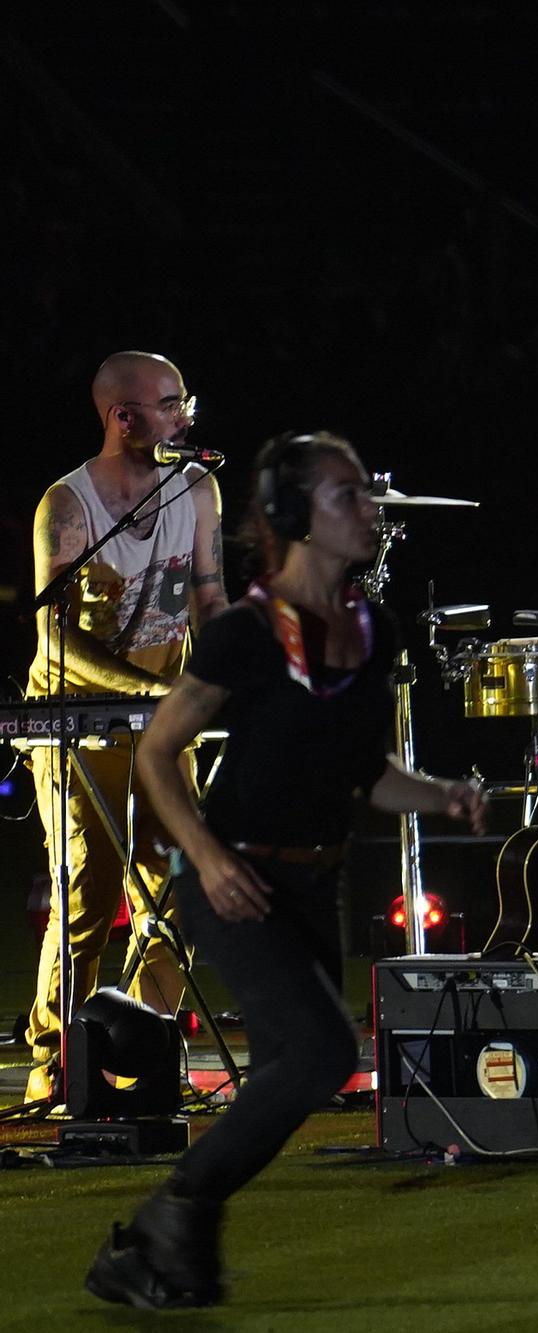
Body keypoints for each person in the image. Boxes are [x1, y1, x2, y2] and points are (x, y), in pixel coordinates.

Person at [84, 432, 486, 1309]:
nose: (369, 510)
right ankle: (168, 1219)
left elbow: (366, 772)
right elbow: (158, 753)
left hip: (314, 883)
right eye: (348, 495)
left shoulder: (375, 632)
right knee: (322, 1051)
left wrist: (442, 795)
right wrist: (208, 856)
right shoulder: (248, 635)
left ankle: (162, 1250)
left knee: (288, 1072)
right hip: (239, 881)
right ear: (295, 515)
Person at [21, 351, 227, 1105]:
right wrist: (153, 690)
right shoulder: (68, 507)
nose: (185, 416)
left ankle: (141, 1047)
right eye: (171, 403)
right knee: (88, 894)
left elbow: (210, 596)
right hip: (77, 720)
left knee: (181, 882)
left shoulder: (196, 486)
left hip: (163, 715)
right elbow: (55, 639)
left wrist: (232, 675)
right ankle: (57, 1061)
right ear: (124, 418)